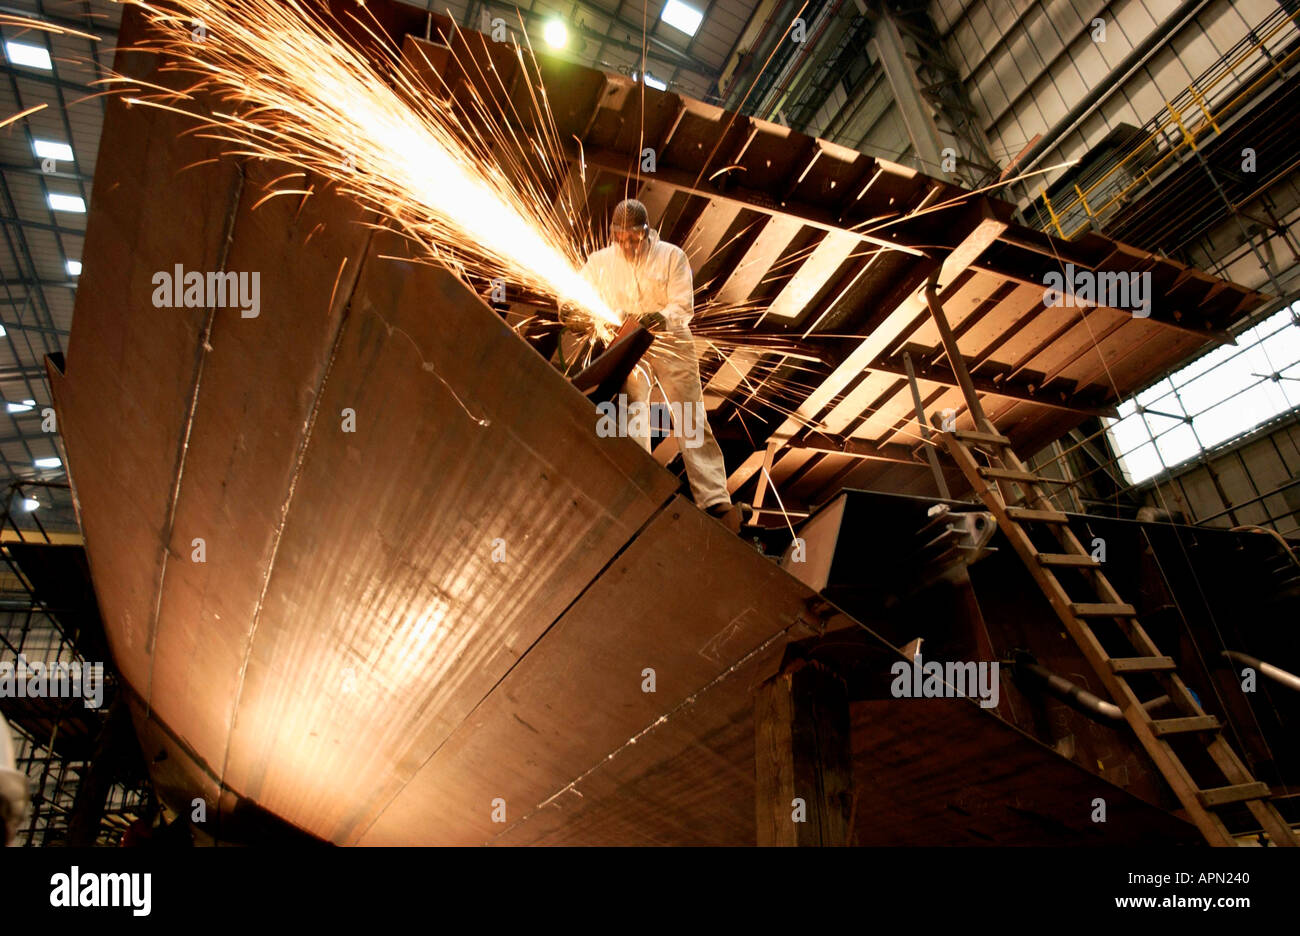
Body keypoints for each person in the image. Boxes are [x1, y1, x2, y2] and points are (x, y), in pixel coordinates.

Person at [576, 199, 748, 533]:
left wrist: (662, 317)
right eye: (621, 237)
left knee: (689, 416)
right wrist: (568, 308)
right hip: (630, 344)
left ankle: (714, 498)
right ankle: (644, 488)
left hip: (671, 343)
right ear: (613, 233)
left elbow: (683, 306)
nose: (627, 244)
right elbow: (576, 292)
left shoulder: (671, 256)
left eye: (634, 237)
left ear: (647, 231)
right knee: (631, 413)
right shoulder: (600, 262)